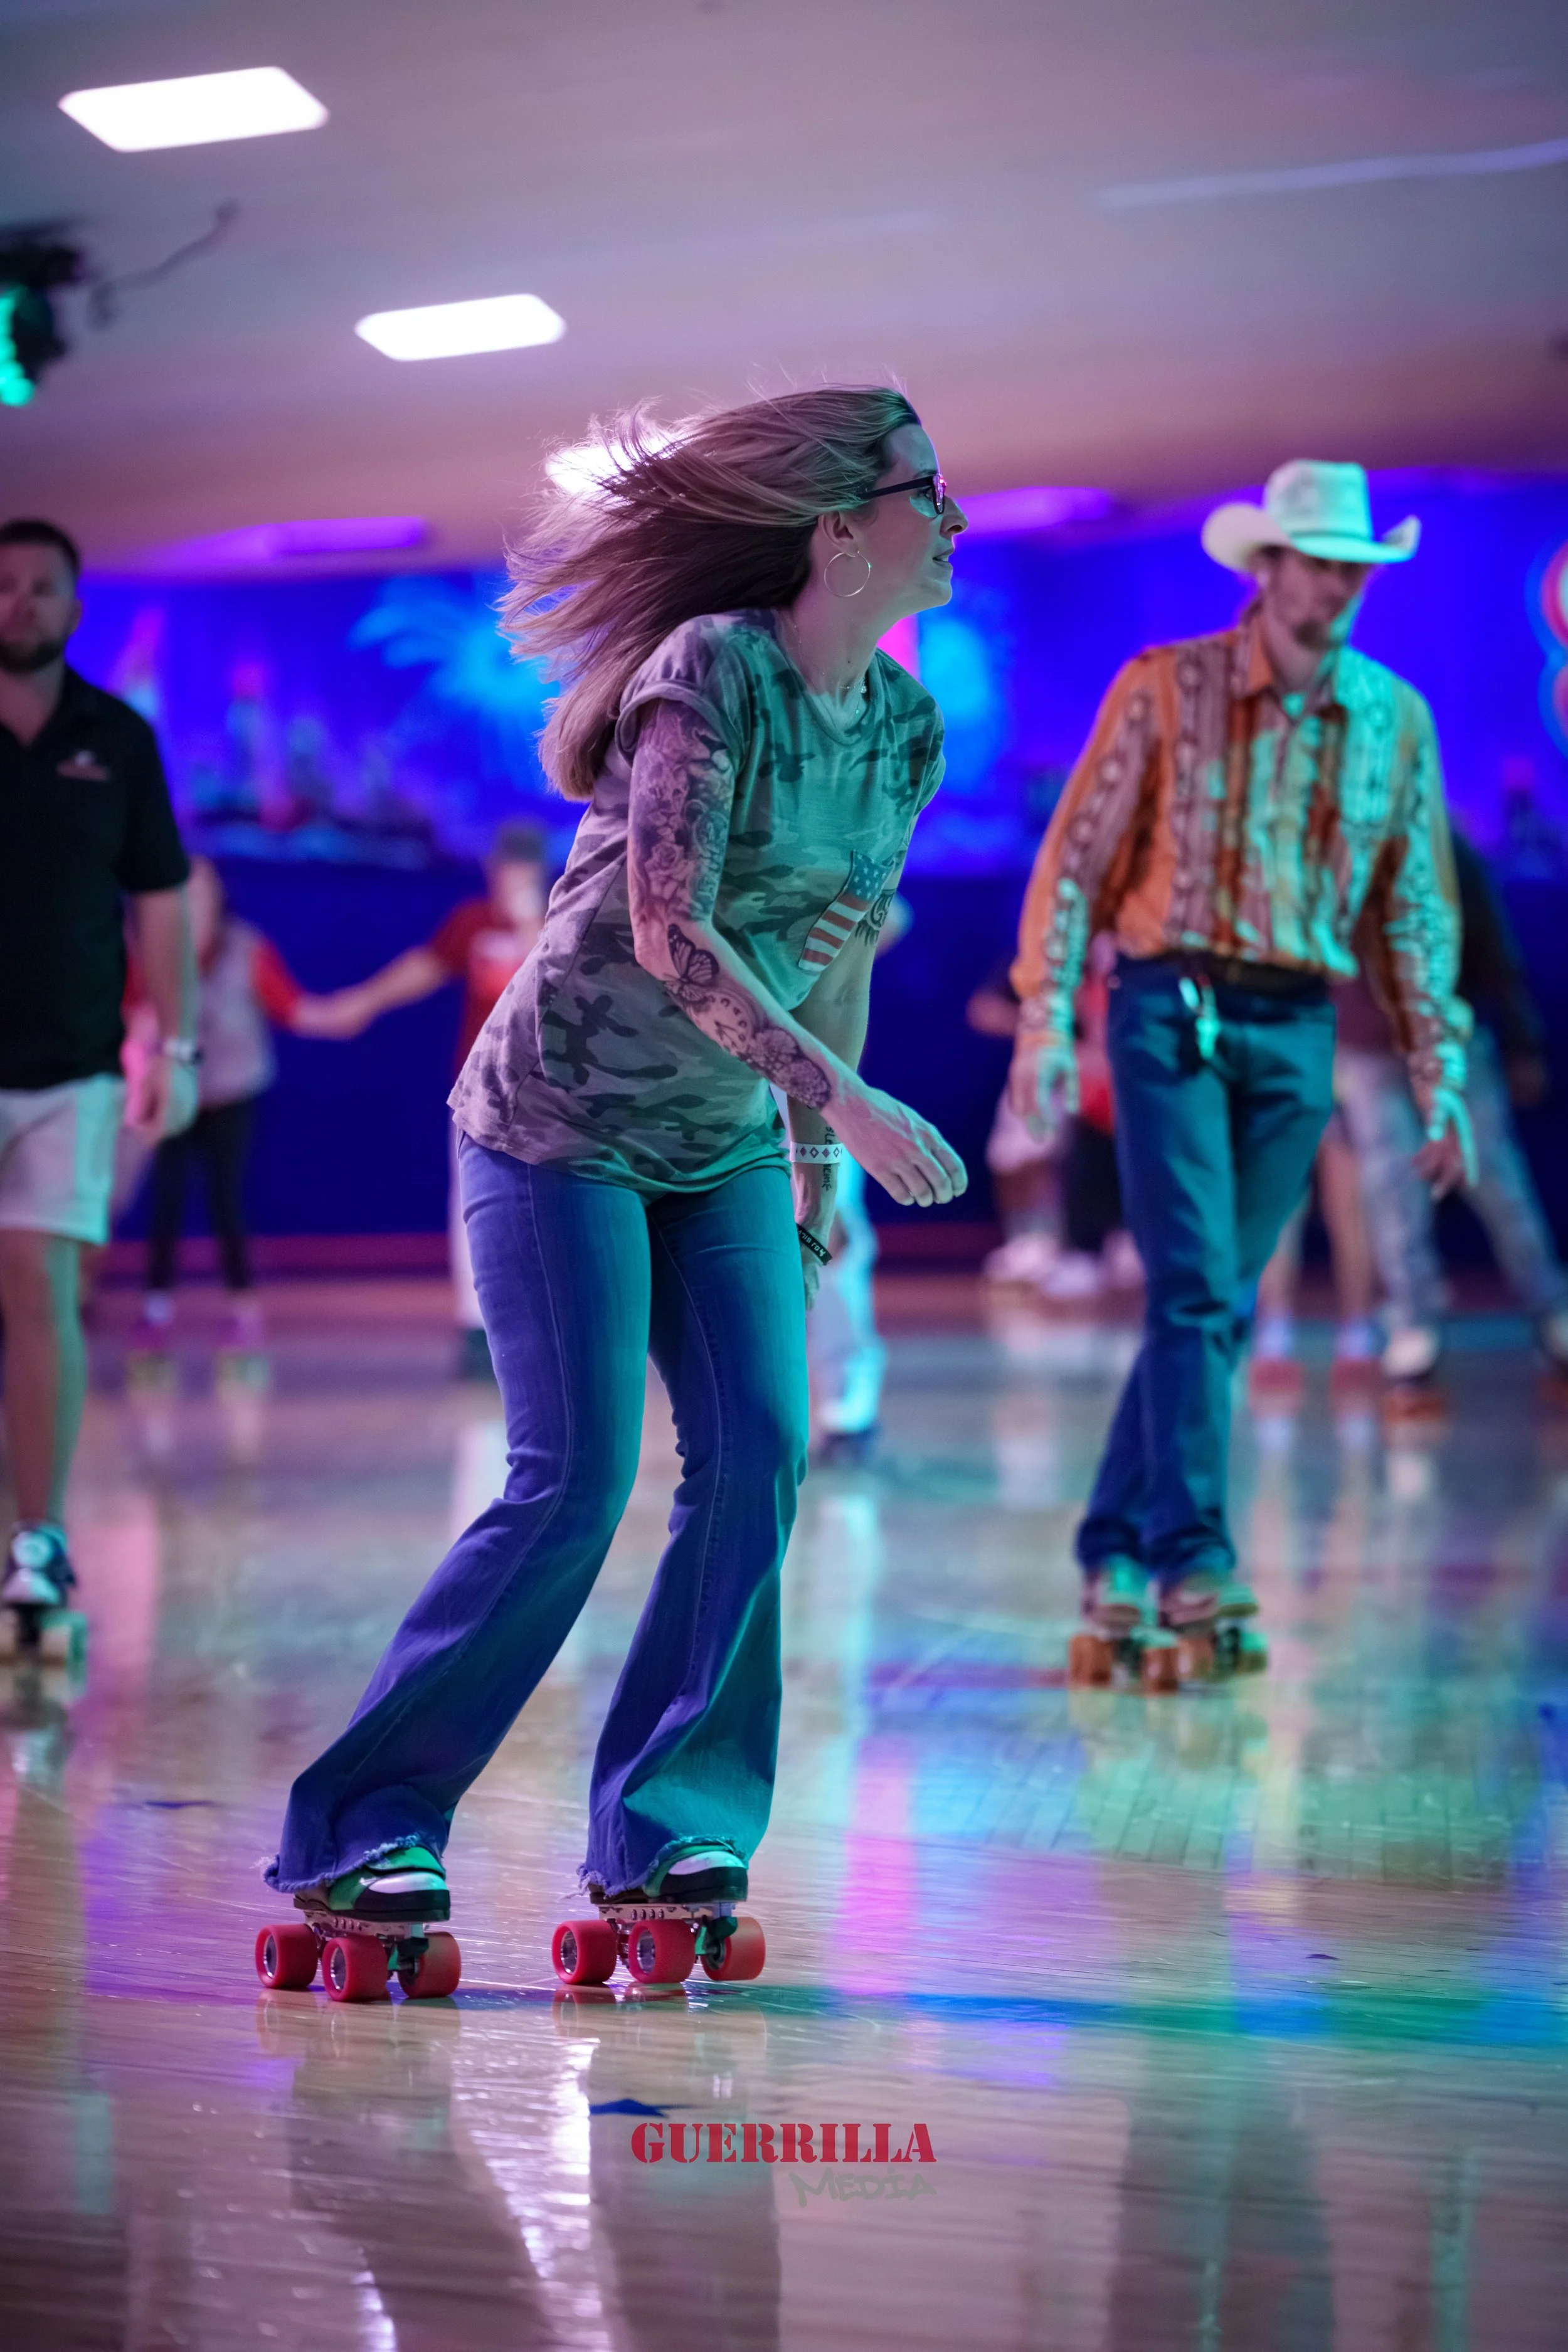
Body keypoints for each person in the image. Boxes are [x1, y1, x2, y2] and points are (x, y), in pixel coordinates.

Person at [267, 387, 967, 1931]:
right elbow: (669, 927)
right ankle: (360, 1823)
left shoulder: (907, 729)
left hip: (722, 1145)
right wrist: (842, 1099)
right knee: (572, 1480)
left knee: (759, 1458)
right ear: (838, 526)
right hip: (557, 1126)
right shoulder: (709, 670)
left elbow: (832, 952)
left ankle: (669, 1823)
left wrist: (811, 1152)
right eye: (928, 489)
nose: (956, 515)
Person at [1008, 460, 1472, 1650]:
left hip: (1299, 1023)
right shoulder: (1168, 689)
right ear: (1265, 570)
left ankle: (1111, 1542)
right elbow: (1078, 862)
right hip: (1172, 1009)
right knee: (1204, 1290)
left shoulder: (1393, 718)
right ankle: (1193, 1557)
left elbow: (1414, 904)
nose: (1338, 584)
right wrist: (1047, 1020)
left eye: (1355, 566)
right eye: (1318, 561)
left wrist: (1438, 1067)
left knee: (1204, 1308)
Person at [0, 517, 196, 1621]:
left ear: (74, 609)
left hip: (70, 1069)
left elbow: (158, 898)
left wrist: (166, 1043)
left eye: (40, 588)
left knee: (39, 1290)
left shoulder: (118, 740)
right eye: (5, 587)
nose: (21, 603)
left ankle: (38, 1543)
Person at [1333, 830, 1568, 1392]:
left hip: (1450, 1043)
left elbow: (1491, 943)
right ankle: (1413, 1328)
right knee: (1393, 1196)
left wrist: (1520, 1041)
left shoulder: (1445, 841)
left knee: (1496, 1181)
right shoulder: (1329, 847)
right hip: (1368, 1051)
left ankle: (1551, 1311)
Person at [326, 823, 549, 1377]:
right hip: (480, 1093)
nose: (509, 879)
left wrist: (528, 923)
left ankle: (549, 1329)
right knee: (474, 1208)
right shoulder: (472, 924)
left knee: (548, 1207)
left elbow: (555, 978)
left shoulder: (563, 921)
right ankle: (477, 1328)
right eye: (503, 868)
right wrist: (364, 1000)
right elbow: (426, 967)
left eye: (521, 869)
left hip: (550, 1098)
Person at [135, 856, 364, 1347]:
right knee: (168, 1197)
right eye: (183, 893)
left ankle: (242, 1308)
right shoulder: (152, 952)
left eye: (201, 892)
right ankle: (156, 1309)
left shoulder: (245, 949)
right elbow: (130, 1018)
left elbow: (291, 1006)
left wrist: (340, 1015)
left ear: (218, 898)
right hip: (174, 1092)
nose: (192, 903)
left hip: (233, 1091)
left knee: (226, 1200)